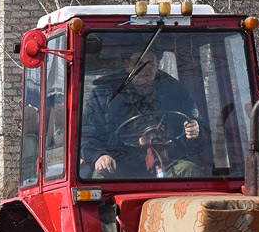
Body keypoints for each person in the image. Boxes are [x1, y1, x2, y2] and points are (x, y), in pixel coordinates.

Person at [81, 48, 206, 178]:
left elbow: (198, 134)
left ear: (157, 66)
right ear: (127, 65)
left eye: (150, 63)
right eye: (139, 63)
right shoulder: (104, 96)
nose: (145, 68)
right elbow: (86, 136)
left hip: (165, 163)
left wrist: (195, 133)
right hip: (121, 165)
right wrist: (99, 155)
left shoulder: (176, 93)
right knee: (100, 176)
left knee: (188, 170)